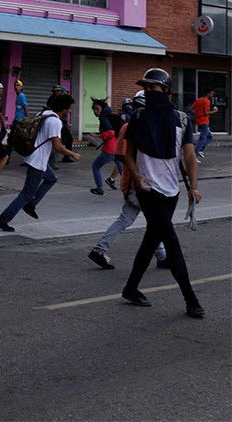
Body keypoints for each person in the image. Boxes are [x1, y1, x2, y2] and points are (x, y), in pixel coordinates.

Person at [119, 67, 204, 318]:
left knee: (151, 240)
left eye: (152, 87)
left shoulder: (182, 119)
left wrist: (194, 188)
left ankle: (131, 288)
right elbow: (128, 153)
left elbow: (189, 157)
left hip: (171, 190)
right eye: (145, 88)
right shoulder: (138, 117)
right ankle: (191, 299)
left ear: (165, 90)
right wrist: (136, 176)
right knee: (171, 242)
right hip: (148, 189)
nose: (148, 92)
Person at [88, 91, 169, 270]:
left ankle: (100, 249)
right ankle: (162, 256)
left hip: (132, 183)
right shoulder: (147, 127)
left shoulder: (127, 126)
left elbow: (120, 155)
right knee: (155, 221)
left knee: (127, 219)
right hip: (145, 183)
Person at [0, 94, 81, 232]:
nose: (69, 111)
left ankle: (31, 204)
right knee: (26, 194)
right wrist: (72, 153)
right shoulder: (55, 122)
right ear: (63, 108)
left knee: (52, 178)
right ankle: (3, 219)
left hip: (36, 157)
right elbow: (57, 146)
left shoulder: (45, 114)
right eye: (69, 108)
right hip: (38, 161)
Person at [89, 98, 123, 196]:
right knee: (122, 169)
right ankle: (130, 190)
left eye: (97, 109)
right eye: (94, 110)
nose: (95, 112)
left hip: (110, 149)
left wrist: (97, 136)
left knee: (95, 166)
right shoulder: (108, 116)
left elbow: (111, 132)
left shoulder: (104, 118)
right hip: (117, 147)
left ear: (102, 108)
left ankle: (99, 189)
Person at [190, 88, 219, 161]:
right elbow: (206, 112)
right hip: (204, 121)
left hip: (199, 121)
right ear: (208, 93)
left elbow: (191, 108)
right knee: (202, 139)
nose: (212, 95)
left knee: (209, 136)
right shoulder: (207, 101)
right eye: (211, 93)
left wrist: (197, 113)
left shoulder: (199, 100)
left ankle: (199, 150)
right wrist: (215, 111)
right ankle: (195, 154)